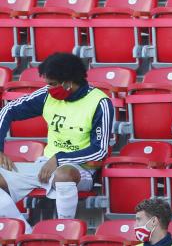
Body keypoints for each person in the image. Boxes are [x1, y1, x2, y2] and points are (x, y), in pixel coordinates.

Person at [0, 53, 113, 230]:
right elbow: (8, 110)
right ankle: (25, 232)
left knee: (63, 174)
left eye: (52, 84)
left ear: (67, 82)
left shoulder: (100, 102)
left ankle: (64, 230)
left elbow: (99, 151)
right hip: (45, 165)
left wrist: (59, 159)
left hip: (81, 168)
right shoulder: (47, 95)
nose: (48, 88)